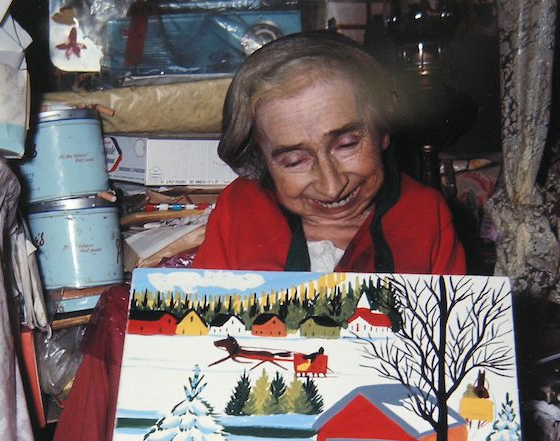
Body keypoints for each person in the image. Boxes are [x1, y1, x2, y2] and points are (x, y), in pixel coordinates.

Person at [193, 30, 466, 274]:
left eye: (347, 145)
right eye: (294, 160)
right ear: (261, 159)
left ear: (382, 131)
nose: (332, 187)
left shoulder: (425, 213)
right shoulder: (239, 210)